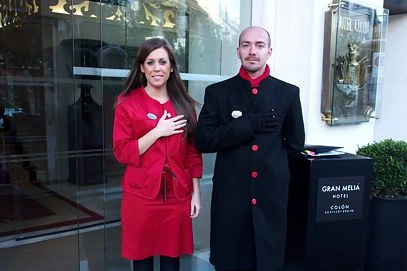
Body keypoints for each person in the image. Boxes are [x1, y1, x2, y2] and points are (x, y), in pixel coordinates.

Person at [195, 26, 305, 271]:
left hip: (271, 195)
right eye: (246, 45)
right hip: (231, 196)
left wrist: (273, 168)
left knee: (267, 260)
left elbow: (295, 143)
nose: (252, 51)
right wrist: (246, 125)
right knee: (230, 260)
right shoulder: (218, 93)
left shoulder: (288, 93)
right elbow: (203, 140)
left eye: (259, 45)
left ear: (269, 51)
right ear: (238, 51)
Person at [113, 38, 203, 271]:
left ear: (171, 67)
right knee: (142, 263)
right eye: (150, 62)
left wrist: (196, 193)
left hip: (177, 197)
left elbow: (192, 153)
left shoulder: (184, 105)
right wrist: (157, 132)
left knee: (171, 262)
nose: (157, 68)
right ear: (142, 67)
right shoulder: (127, 103)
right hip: (141, 197)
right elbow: (122, 152)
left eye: (162, 62)